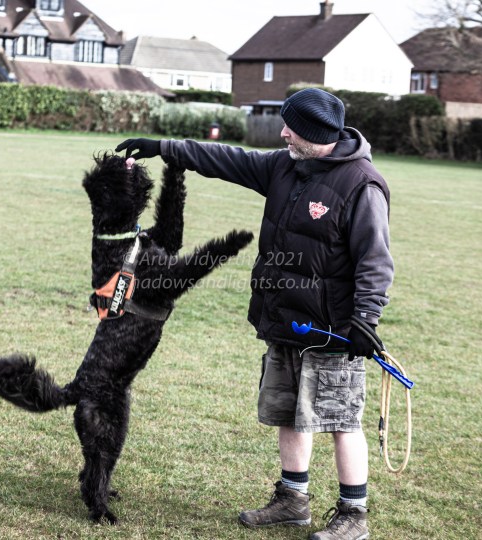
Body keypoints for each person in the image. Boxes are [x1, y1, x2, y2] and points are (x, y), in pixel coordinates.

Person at [116, 87, 392, 540]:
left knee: (341, 421)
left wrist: (366, 318)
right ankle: (292, 500)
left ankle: (353, 515)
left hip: (334, 332)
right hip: (284, 320)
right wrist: (164, 147)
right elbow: (226, 159)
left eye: (291, 128)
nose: (283, 133)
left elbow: (375, 260)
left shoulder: (362, 185)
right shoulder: (284, 166)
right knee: (287, 413)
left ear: (315, 133)